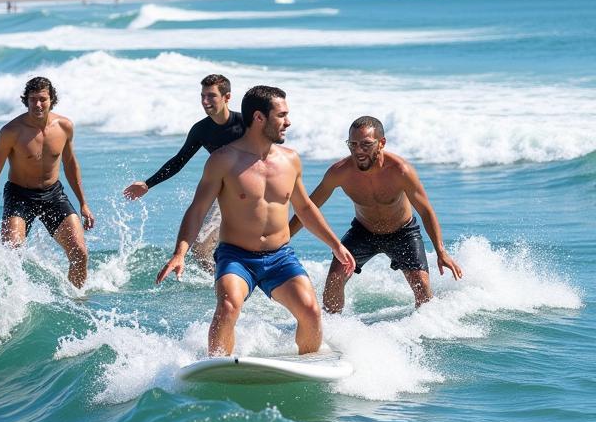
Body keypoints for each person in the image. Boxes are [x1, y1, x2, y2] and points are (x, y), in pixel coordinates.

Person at [157, 85, 355, 356]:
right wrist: (180, 253)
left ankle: (309, 364)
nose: (288, 121)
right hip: (236, 257)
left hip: (280, 257)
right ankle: (218, 366)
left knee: (310, 310)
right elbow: (197, 209)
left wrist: (336, 245)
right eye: (282, 115)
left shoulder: (290, 160)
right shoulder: (223, 160)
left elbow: (306, 208)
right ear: (259, 118)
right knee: (227, 307)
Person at [288, 115, 463, 312]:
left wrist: (441, 251)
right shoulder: (340, 172)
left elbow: (425, 210)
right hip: (363, 232)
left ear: (382, 143)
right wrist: (284, 238)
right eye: (352, 144)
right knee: (334, 280)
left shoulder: (400, 171)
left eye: (366, 144)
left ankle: (429, 328)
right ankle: (330, 330)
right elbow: (308, 207)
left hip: (403, 233)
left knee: (422, 289)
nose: (358, 151)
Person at [123, 74, 245, 271]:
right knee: (200, 250)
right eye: (202, 96)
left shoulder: (245, 124)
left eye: (211, 96)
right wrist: (148, 184)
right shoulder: (202, 129)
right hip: (223, 190)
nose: (205, 101)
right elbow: (179, 160)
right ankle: (223, 281)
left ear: (227, 97)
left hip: (256, 189)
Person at [0, 76, 94, 287]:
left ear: (52, 99)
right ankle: (13, 304)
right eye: (33, 99)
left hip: (53, 195)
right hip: (19, 195)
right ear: (26, 101)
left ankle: (77, 300)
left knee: (80, 253)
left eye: (42, 99)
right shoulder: (11, 132)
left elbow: (70, 165)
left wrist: (83, 204)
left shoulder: (65, 127)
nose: (38, 104)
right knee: (11, 253)